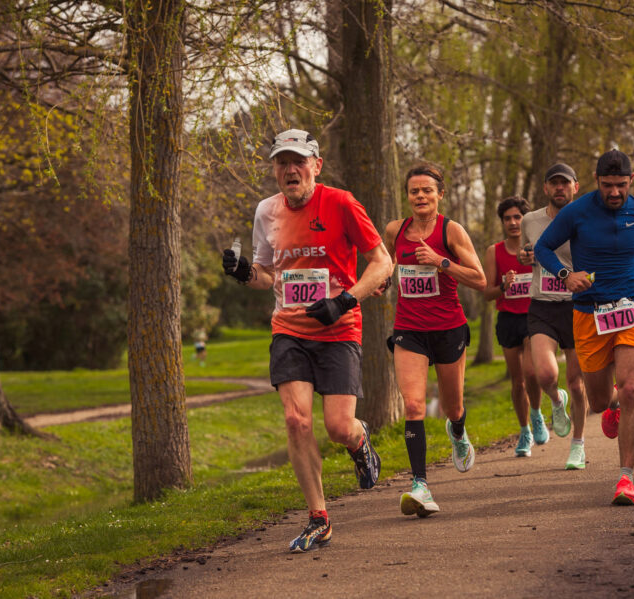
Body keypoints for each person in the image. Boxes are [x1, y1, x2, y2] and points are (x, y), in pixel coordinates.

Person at [222, 128, 392, 552]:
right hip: (289, 330)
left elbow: (382, 263)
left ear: (316, 165)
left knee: (337, 427)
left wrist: (344, 301)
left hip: (338, 330)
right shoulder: (266, 211)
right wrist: (244, 272)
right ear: (275, 171)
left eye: (298, 161)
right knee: (296, 421)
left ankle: (359, 439)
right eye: (282, 162)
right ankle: (319, 517)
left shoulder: (341, 203)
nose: (290, 169)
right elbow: (267, 277)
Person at [534, 149, 634, 506]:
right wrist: (566, 274)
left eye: (621, 185)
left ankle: (626, 478)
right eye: (608, 185)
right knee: (597, 400)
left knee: (629, 389)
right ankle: (609, 406)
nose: (614, 192)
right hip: (589, 313)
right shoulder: (576, 213)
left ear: (632, 181)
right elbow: (544, 248)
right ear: (596, 182)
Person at [383, 163, 487, 518]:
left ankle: (457, 429)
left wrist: (442, 262)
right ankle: (420, 485)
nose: (421, 196)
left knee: (452, 406)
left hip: (448, 329)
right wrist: (384, 278)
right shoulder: (395, 230)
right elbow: (386, 264)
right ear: (407, 196)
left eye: (427, 190)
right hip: (409, 329)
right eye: (414, 191)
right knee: (413, 406)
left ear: (440, 194)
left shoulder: (451, 230)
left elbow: (480, 279)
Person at [517, 163, 587, 470]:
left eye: (565, 183)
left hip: (577, 305)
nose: (560, 188)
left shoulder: (587, 218)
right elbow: (526, 251)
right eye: (554, 183)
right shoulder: (530, 220)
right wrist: (525, 256)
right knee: (544, 375)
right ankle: (556, 402)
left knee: (577, 382)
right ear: (546, 188)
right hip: (542, 305)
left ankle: (578, 445)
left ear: (576, 186)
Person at [482, 197, 542, 457]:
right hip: (508, 320)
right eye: (508, 218)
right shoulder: (494, 251)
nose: (513, 222)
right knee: (517, 382)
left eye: (518, 217)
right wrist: (504, 286)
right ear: (503, 222)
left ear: (525, 220)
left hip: (533, 317)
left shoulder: (537, 248)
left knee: (531, 373)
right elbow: (486, 293)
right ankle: (524, 431)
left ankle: (538, 415)